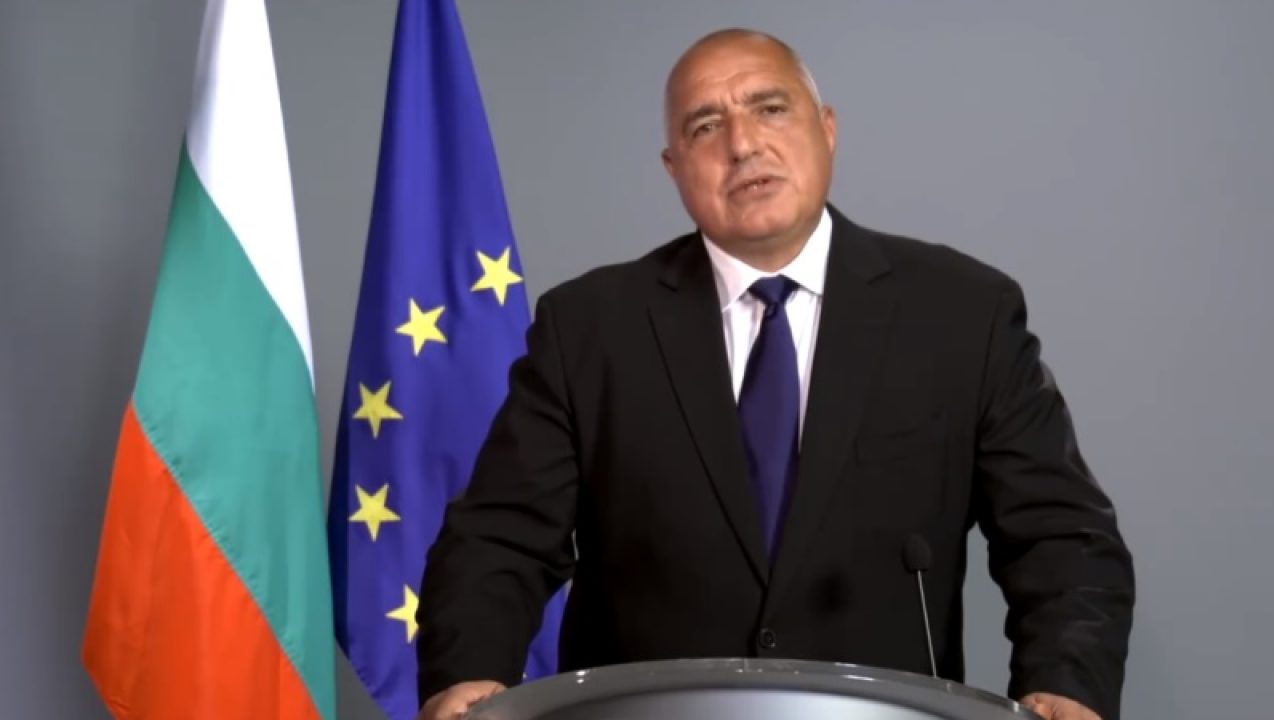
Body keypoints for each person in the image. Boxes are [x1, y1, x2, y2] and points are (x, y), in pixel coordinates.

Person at [414, 28, 1135, 720]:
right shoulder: (589, 327)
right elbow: (499, 538)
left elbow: (1061, 535)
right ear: (673, 167)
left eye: (770, 109)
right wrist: (468, 673)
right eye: (705, 126)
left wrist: (1065, 684)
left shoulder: (963, 313)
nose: (743, 144)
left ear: (827, 128)